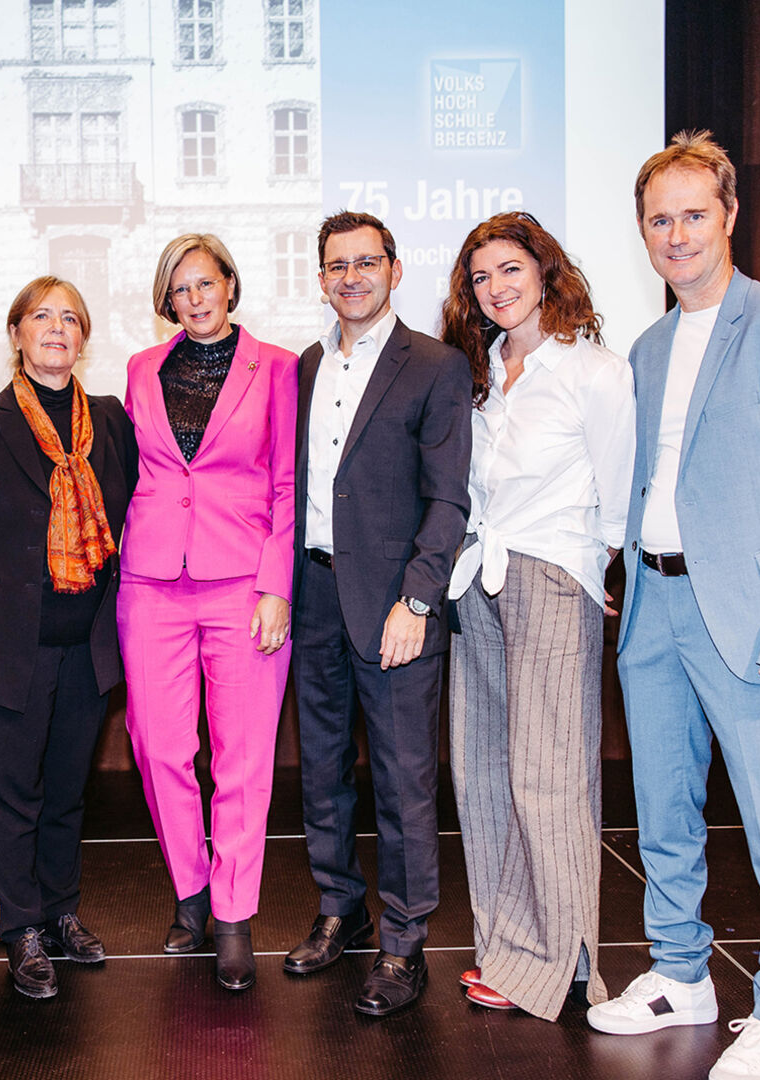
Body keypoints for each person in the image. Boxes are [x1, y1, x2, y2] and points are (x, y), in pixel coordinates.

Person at [587, 131, 760, 1080]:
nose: (676, 235)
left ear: (730, 215)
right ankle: (680, 974)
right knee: (663, 810)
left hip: (751, 618)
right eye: (658, 220)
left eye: (692, 214)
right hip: (654, 611)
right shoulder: (647, 345)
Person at [0, 276, 138, 1001]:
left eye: (70, 318)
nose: (56, 328)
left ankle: (61, 911)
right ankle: (22, 929)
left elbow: (132, 524)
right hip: (3, 643)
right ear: (15, 334)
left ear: (83, 337)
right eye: (41, 316)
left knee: (68, 793)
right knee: (10, 796)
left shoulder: (107, 420)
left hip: (87, 642)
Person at [438, 212, 635, 1020]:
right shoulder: (475, 372)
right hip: (477, 575)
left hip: (554, 571)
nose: (497, 287)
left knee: (547, 777)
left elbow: (620, 489)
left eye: (511, 269)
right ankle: (510, 949)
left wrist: (606, 563)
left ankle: (566, 960)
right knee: (480, 771)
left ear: (544, 272)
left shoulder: (592, 369)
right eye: (481, 277)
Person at [284, 211, 472, 1016]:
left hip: (394, 601)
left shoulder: (435, 366)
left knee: (400, 783)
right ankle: (339, 909)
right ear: (320, 278)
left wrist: (416, 600)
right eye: (336, 265)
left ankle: (401, 942)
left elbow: (448, 499)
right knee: (321, 771)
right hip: (314, 594)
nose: (350, 277)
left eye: (366, 262)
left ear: (395, 269)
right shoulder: (303, 365)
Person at [118, 234, 298, 992]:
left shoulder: (280, 368)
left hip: (242, 584)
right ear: (168, 299)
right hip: (151, 579)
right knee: (158, 749)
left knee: (241, 759)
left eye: (205, 283)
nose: (194, 298)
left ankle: (231, 915)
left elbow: (288, 483)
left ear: (230, 284)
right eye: (179, 288)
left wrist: (276, 585)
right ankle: (189, 893)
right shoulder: (140, 369)